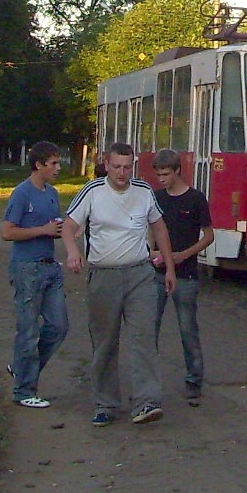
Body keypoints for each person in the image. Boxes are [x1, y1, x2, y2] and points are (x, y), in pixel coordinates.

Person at [64, 142, 177, 426]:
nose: (122, 173)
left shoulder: (144, 192)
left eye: (127, 167)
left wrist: (170, 266)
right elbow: (68, 225)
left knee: (143, 337)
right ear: (106, 164)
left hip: (140, 274)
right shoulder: (92, 192)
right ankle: (105, 403)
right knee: (105, 341)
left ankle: (146, 401)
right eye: (116, 167)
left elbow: (159, 228)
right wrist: (72, 250)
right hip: (104, 274)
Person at [0, 141, 69, 408]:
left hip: (50, 267)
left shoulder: (51, 193)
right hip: (26, 268)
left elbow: (56, 227)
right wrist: (43, 230)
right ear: (38, 165)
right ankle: (24, 390)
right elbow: (7, 232)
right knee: (28, 331)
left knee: (58, 326)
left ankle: (21, 366)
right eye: (53, 163)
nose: (58, 168)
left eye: (58, 163)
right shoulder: (22, 194)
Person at [149, 148, 213, 405]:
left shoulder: (195, 199)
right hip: (157, 272)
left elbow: (208, 235)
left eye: (165, 174)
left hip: (186, 274)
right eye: (158, 175)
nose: (161, 179)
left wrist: (183, 255)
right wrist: (154, 251)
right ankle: (148, 381)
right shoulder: (156, 198)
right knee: (148, 328)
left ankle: (194, 380)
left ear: (177, 171)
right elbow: (152, 230)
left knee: (188, 329)